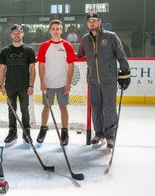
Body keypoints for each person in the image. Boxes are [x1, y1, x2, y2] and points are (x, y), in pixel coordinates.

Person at [78, 13, 131, 149]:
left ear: (99, 22)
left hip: (109, 79)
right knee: (96, 108)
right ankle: (99, 133)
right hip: (93, 80)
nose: (92, 23)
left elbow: (121, 55)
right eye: (89, 21)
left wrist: (125, 73)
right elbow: (80, 55)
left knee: (109, 108)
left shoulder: (111, 36)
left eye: (94, 21)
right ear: (87, 24)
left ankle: (110, 136)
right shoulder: (84, 39)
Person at [36, 20, 76, 146]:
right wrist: (42, 82)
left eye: (58, 28)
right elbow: (41, 66)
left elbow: (71, 66)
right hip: (48, 84)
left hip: (62, 84)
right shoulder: (44, 46)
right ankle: (43, 129)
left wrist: (68, 83)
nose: (55, 30)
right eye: (53, 28)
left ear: (61, 30)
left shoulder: (67, 46)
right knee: (46, 107)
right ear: (50, 31)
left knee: (63, 107)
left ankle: (64, 132)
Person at [0, 24, 36, 144]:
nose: (16, 34)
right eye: (14, 32)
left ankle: (26, 132)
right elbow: (2, 69)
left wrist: (31, 85)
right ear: (11, 35)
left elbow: (32, 69)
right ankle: (12, 132)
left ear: (22, 34)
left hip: (24, 86)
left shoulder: (29, 50)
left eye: (18, 32)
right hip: (10, 86)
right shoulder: (5, 51)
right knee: (11, 109)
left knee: (25, 109)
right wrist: (2, 85)